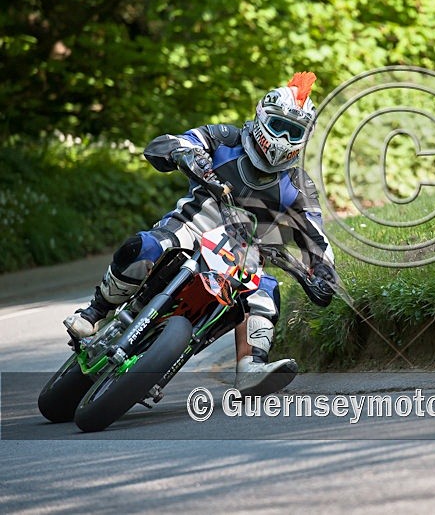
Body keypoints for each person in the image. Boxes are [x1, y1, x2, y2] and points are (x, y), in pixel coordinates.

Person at [64, 72, 336, 394]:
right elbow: (168, 143)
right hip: (189, 228)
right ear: (263, 118)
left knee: (266, 292)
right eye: (279, 126)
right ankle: (96, 311)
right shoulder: (225, 138)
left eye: (295, 132)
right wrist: (181, 153)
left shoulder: (299, 185)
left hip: (242, 260)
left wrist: (323, 274)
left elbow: (316, 237)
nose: (285, 137)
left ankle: (251, 367)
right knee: (145, 247)